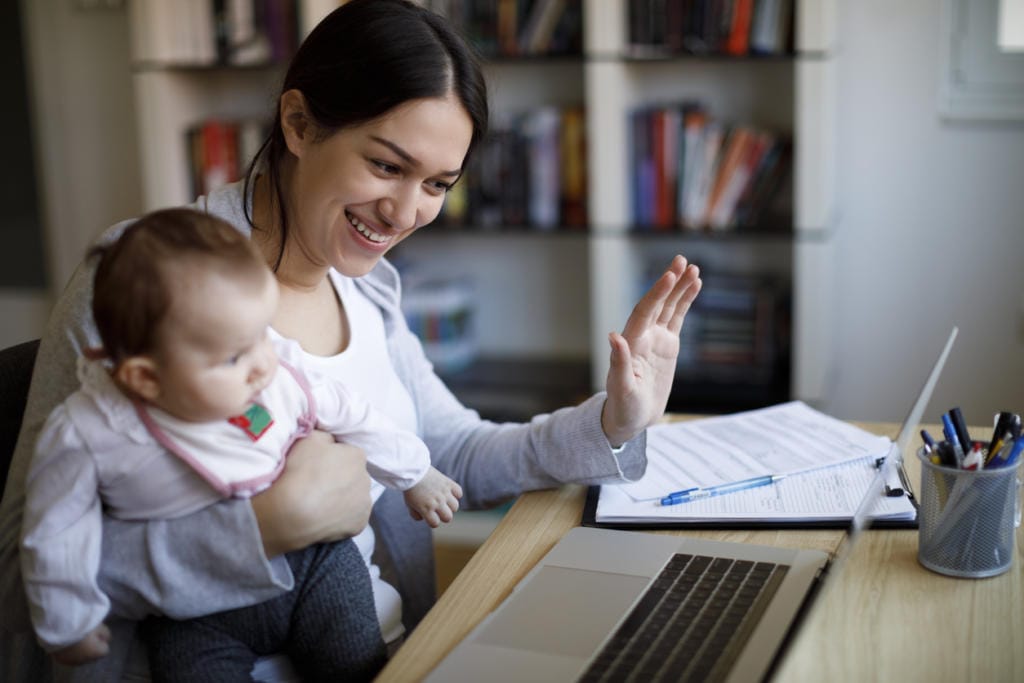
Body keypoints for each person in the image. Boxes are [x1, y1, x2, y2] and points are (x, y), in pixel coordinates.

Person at [0, 0, 702, 680]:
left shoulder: (369, 285)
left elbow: (449, 450)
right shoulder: (142, 277)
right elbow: (19, 573)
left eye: (437, 183)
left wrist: (613, 421)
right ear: (300, 124)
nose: (405, 211)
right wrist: (265, 526)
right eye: (387, 166)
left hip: (387, 650)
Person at [20, 208, 462, 681]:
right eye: (233, 356)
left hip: (314, 564)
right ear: (144, 378)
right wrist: (68, 622)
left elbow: (354, 414)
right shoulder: (90, 430)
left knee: (355, 663)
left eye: (262, 337)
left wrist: (416, 474)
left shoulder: (272, 370)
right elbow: (55, 529)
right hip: (192, 608)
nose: (261, 365)